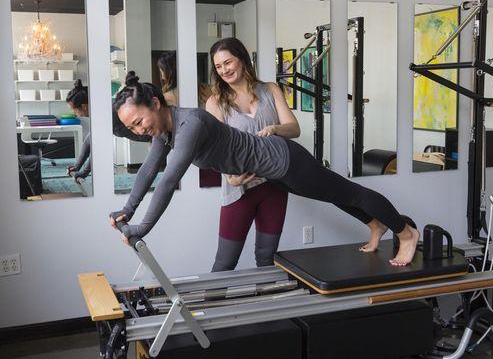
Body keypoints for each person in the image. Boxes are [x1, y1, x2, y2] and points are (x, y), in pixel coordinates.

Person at [109, 71, 419, 267]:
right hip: (276, 174)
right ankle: (375, 225)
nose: (138, 130)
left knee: (350, 192)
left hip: (286, 162)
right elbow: (149, 171)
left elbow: (167, 181)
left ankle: (406, 233)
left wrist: (142, 228)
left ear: (155, 103)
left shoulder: (189, 124)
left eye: (138, 121)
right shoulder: (165, 133)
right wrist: (128, 210)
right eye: (130, 127)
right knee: (335, 195)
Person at [205, 38, 300, 271]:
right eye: (218, 67)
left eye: (228, 62)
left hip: (276, 185)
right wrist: (230, 177)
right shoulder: (216, 102)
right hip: (240, 189)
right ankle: (212, 308)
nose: (224, 70)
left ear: (243, 59)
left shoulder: (270, 89)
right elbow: (216, 150)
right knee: (225, 261)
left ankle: (265, 306)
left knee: (267, 259)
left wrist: (275, 129)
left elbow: (294, 129)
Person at [65, 80, 91, 183]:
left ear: (84, 106)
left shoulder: (101, 115)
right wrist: (77, 166)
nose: (73, 112)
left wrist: (84, 172)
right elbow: (89, 141)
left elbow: (97, 148)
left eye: (74, 109)